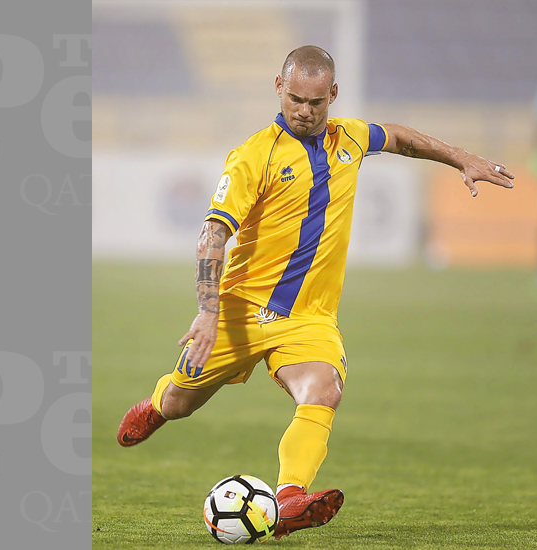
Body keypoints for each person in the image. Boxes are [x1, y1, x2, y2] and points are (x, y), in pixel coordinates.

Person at [117, 45, 515, 538]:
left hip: (310, 317)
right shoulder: (252, 156)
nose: (304, 112)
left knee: (324, 390)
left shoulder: (348, 137)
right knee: (181, 402)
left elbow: (402, 138)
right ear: (278, 88)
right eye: (296, 100)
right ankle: (155, 406)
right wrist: (207, 308)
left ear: (333, 95)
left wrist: (461, 158)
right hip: (240, 310)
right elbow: (212, 234)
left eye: (316, 103)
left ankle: (289, 500)